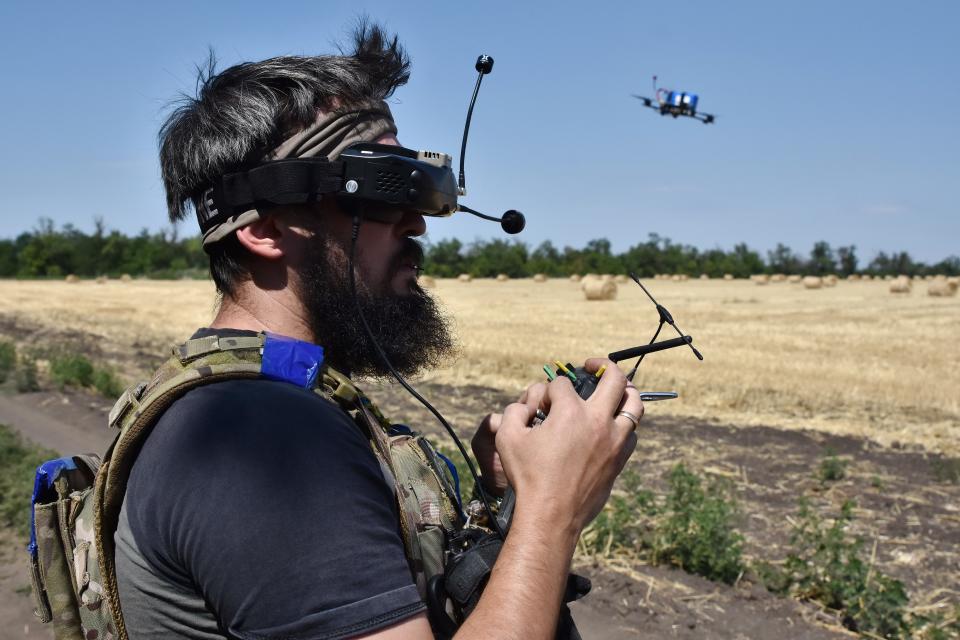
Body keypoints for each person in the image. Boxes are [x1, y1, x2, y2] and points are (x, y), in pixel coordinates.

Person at [114, 23, 642, 640]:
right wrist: (554, 509)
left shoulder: (238, 401)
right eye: (381, 189)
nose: (416, 222)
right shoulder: (264, 438)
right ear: (264, 229)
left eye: (418, 189)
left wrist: (512, 501)